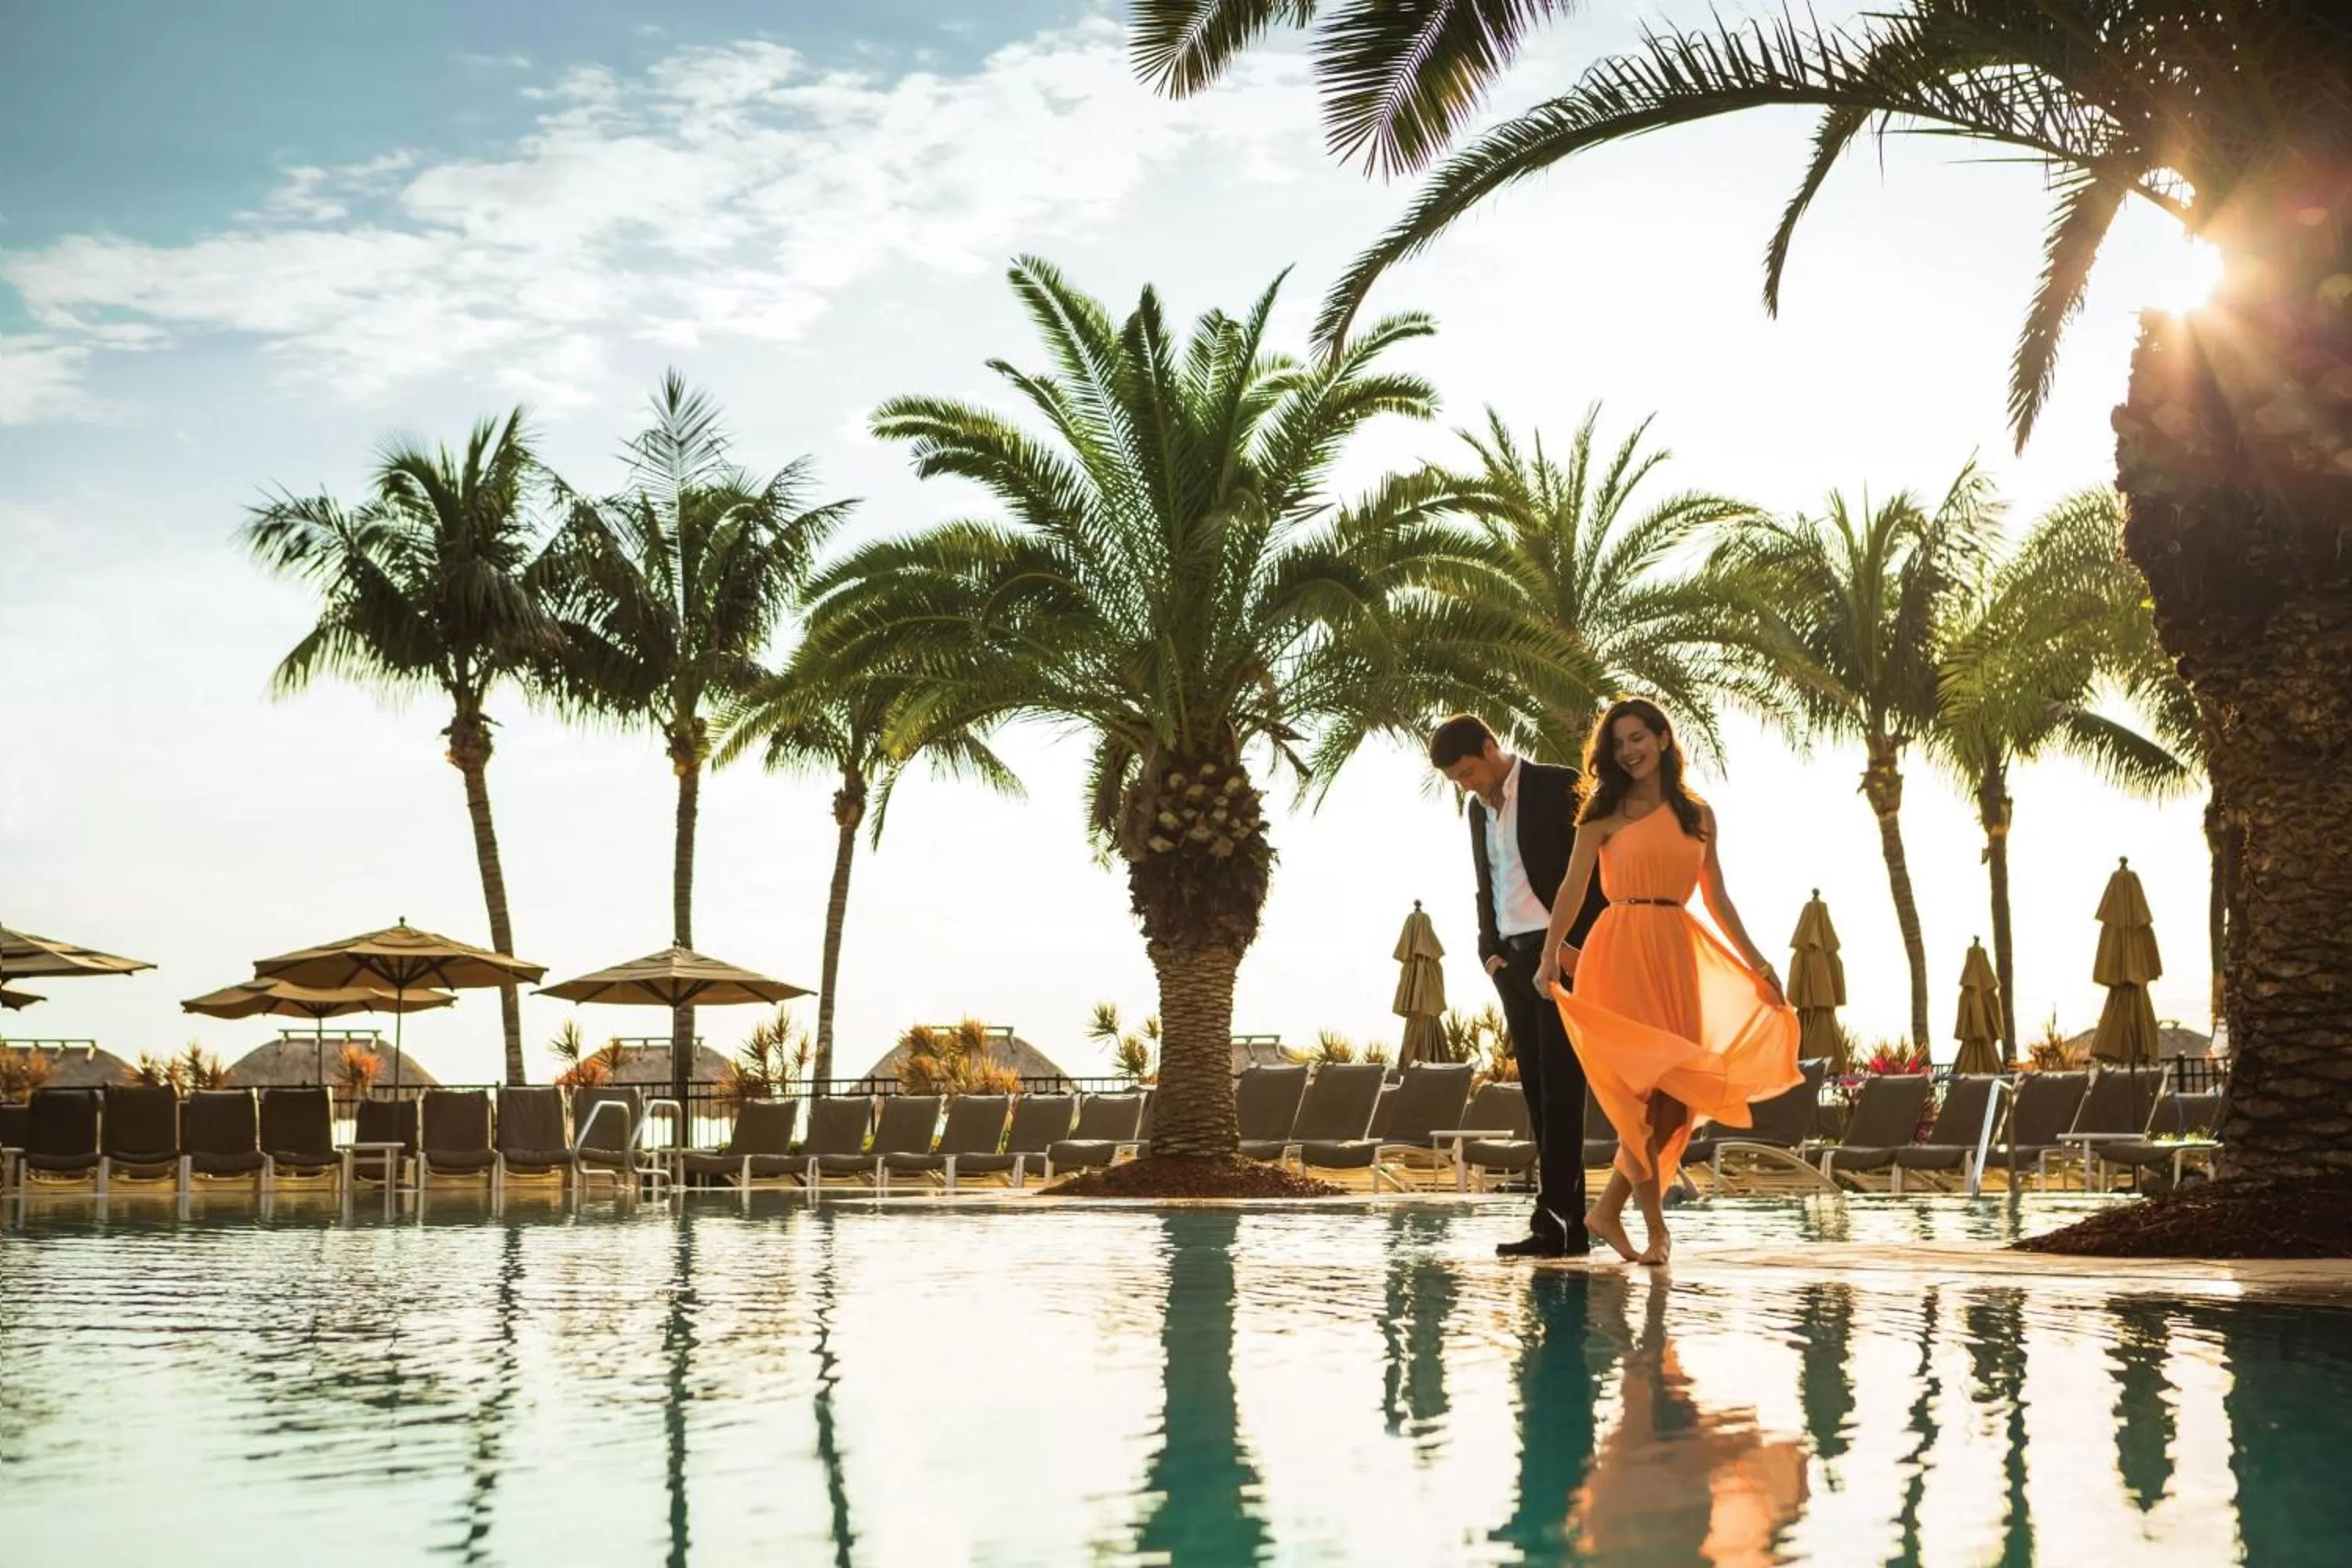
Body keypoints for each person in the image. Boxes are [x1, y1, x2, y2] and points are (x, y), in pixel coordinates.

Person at [1534, 698, 1798, 1266]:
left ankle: (1607, 1211)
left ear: (1661, 738)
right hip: (1620, 946)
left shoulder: (1697, 814)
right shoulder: (1602, 815)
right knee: (1642, 1098)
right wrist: (1550, 954)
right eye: (1619, 743)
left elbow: (1718, 897)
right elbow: (1572, 889)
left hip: (1677, 950)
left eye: (1637, 739)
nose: (1629, 751)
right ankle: (1656, 1230)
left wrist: (1758, 964)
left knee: (1675, 1103)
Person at [1430, 713, 1609, 1258]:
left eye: (1467, 771)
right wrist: (1490, 954)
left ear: (1490, 746)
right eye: (1456, 778)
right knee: (1537, 1093)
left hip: (1560, 959)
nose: (1466, 783)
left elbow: (1594, 875)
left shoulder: (1557, 786)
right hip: (1512, 963)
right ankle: (1567, 1226)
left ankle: (1552, 1221)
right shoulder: (1473, 810)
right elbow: (1486, 881)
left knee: (1561, 1090)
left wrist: (1579, 950)